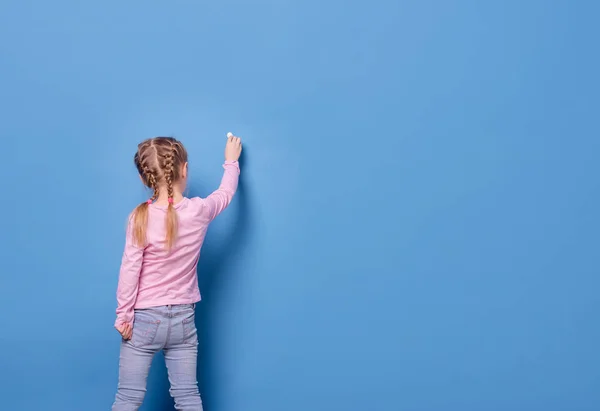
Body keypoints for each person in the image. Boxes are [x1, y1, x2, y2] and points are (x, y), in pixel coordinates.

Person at [111, 135, 242, 411]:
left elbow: (129, 270)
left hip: (144, 321)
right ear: (184, 169)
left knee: (127, 400)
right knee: (188, 398)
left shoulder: (140, 218)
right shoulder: (199, 210)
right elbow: (225, 194)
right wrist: (231, 161)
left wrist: (123, 314)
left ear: (144, 178)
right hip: (183, 319)